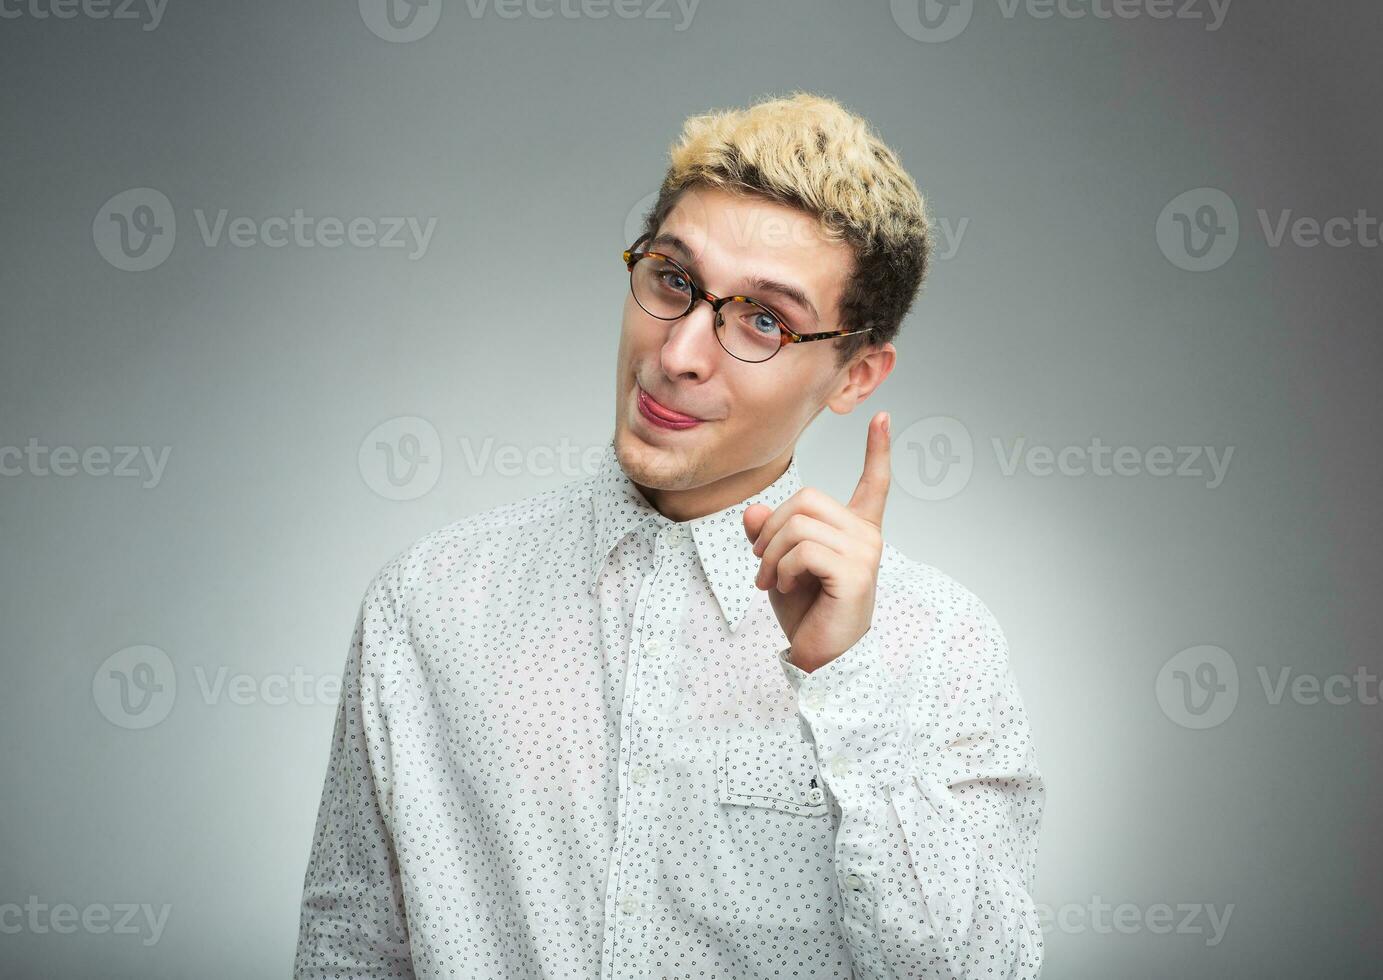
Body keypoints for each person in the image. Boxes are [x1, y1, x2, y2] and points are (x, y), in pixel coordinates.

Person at [293, 91, 1045, 979]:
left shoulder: (937, 646)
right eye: (673, 281)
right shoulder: (428, 603)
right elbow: (348, 949)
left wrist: (849, 688)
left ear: (855, 375)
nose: (680, 353)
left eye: (763, 320)